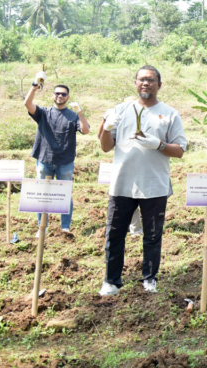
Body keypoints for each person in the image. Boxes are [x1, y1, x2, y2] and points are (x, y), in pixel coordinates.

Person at [98, 66, 187, 296]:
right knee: (115, 234)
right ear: (135, 83)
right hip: (122, 183)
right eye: (141, 80)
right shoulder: (121, 109)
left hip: (154, 185)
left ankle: (149, 279)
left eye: (151, 80)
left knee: (152, 235)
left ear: (159, 83)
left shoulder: (169, 113)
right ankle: (111, 281)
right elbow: (106, 146)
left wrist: (158, 144)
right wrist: (107, 127)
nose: (145, 83)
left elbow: (179, 150)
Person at [24, 77, 90, 236]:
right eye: (57, 93)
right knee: (42, 194)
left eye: (64, 94)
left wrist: (80, 112)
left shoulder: (73, 116)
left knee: (65, 194)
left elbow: (86, 130)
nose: (60, 96)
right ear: (52, 95)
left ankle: (65, 227)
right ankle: (42, 227)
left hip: (65, 161)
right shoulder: (43, 113)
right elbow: (27, 104)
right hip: (44, 158)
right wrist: (34, 86)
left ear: (68, 97)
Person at [97, 109, 143, 237]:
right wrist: (106, 124)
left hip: (140, 165)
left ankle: (136, 229)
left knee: (135, 196)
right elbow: (100, 136)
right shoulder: (115, 118)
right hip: (122, 164)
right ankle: (132, 229)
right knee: (126, 197)